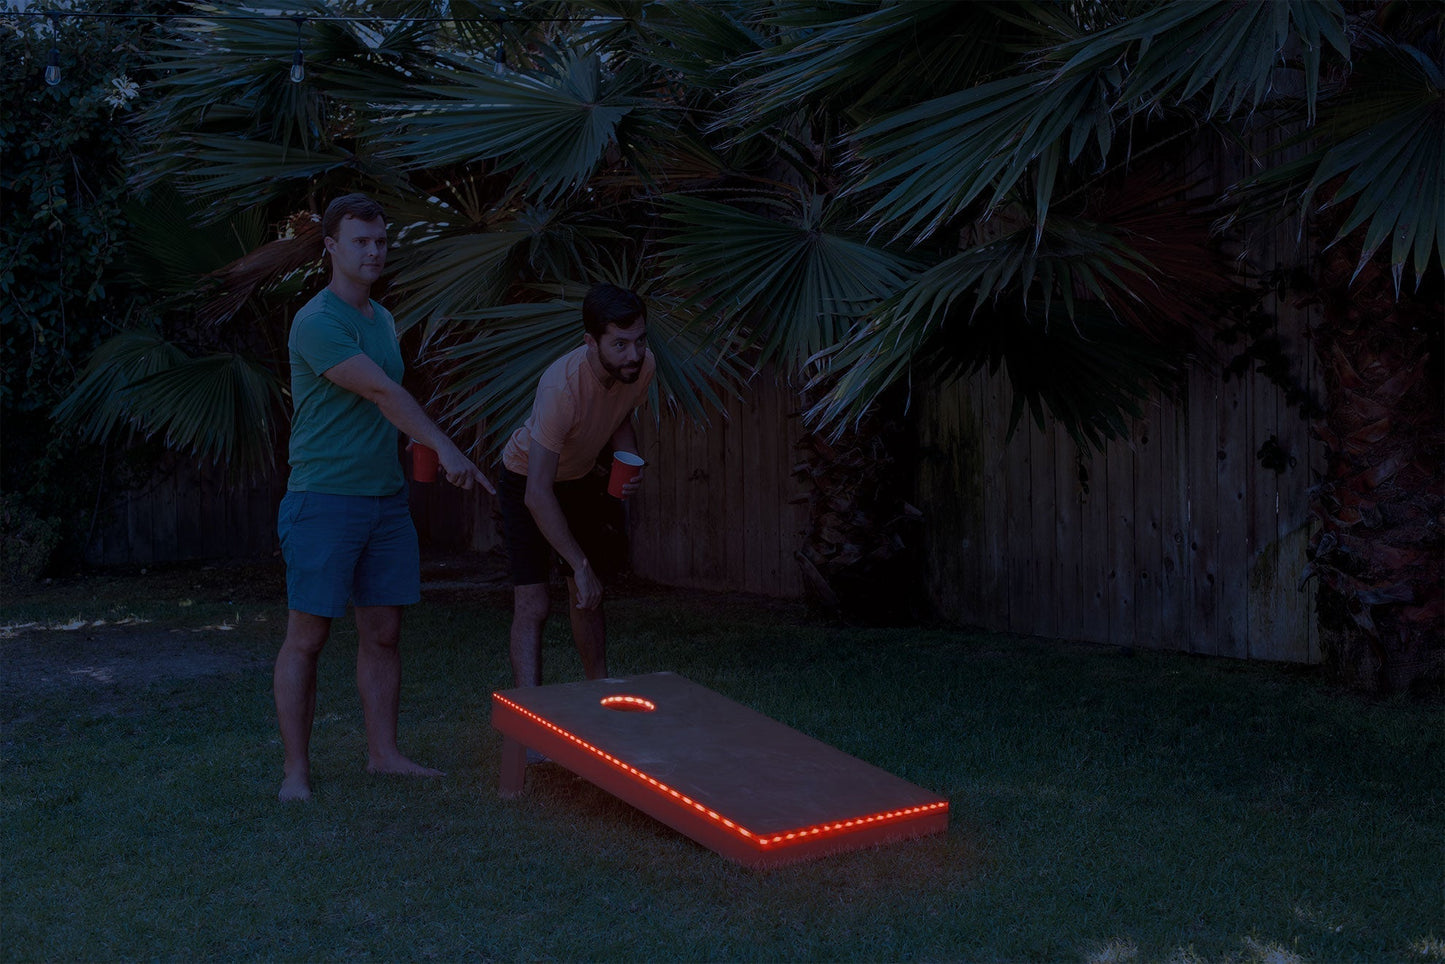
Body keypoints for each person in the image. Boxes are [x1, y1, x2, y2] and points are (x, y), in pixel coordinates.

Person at [274, 192, 493, 802]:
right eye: (361, 241)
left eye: (381, 241)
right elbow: (381, 394)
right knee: (308, 636)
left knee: (385, 632)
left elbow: (390, 409)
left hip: (383, 500)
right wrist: (447, 448)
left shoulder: (383, 319)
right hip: (323, 499)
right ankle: (296, 771)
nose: (374, 251)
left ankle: (384, 755)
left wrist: (422, 451)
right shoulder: (318, 321)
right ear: (331, 248)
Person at [497, 282, 655, 691]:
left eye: (639, 341)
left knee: (589, 596)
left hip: (579, 477)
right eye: (620, 344)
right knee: (534, 602)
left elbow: (619, 413)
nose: (633, 354)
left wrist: (628, 458)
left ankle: (598, 697)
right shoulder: (561, 388)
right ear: (590, 341)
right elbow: (537, 492)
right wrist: (579, 565)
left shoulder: (641, 367)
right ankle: (528, 721)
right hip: (525, 481)